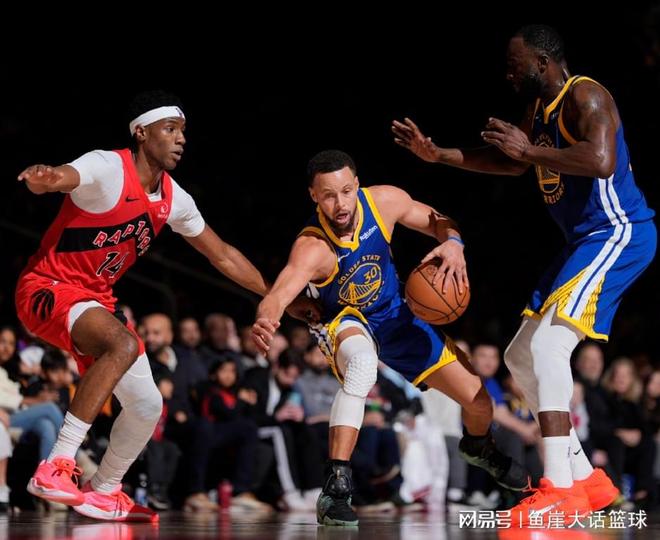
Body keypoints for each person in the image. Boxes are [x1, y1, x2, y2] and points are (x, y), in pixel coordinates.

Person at [392, 24, 656, 524]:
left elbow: (600, 160)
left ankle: (559, 488)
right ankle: (586, 479)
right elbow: (512, 163)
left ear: (542, 62)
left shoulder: (586, 95)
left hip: (619, 231)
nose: (508, 74)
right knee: (519, 357)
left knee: (549, 347)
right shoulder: (539, 109)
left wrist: (528, 151)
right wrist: (439, 155)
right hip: (583, 240)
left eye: (515, 66)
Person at [14, 90, 314, 522]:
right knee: (122, 344)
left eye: (183, 131)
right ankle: (56, 465)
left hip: (95, 300)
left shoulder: (174, 199)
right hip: (47, 287)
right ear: (141, 132)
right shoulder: (107, 167)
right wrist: (45, 178)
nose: (181, 139)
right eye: (170, 129)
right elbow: (63, 176)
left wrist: (276, 295)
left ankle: (104, 490)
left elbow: (223, 255)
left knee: (147, 405)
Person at [251, 150, 528, 526]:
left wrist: (453, 243)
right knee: (362, 366)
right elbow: (279, 293)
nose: (340, 203)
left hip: (396, 315)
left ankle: (479, 446)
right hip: (345, 321)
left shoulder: (384, 202)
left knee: (478, 400)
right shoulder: (312, 247)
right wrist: (266, 319)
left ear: (357, 185)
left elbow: (440, 221)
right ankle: (336, 489)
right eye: (329, 195)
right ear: (314, 196)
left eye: (346, 191)